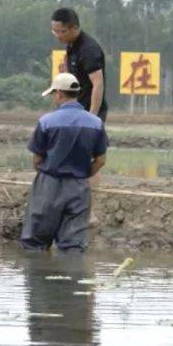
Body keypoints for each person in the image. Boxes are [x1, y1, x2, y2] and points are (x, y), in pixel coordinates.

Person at [21, 73, 108, 252]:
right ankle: (71, 276)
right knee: (73, 245)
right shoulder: (96, 123)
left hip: (49, 183)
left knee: (36, 241)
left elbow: (37, 159)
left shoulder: (46, 121)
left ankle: (39, 275)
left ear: (59, 93)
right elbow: (101, 160)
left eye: (54, 94)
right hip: (79, 186)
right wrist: (84, 174)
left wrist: (44, 172)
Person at [51, 7, 107, 225]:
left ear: (74, 28)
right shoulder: (72, 46)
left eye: (61, 31)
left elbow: (98, 84)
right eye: (54, 31)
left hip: (87, 113)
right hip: (73, 110)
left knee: (89, 160)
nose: (57, 35)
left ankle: (89, 213)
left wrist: (91, 118)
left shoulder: (89, 49)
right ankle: (70, 207)